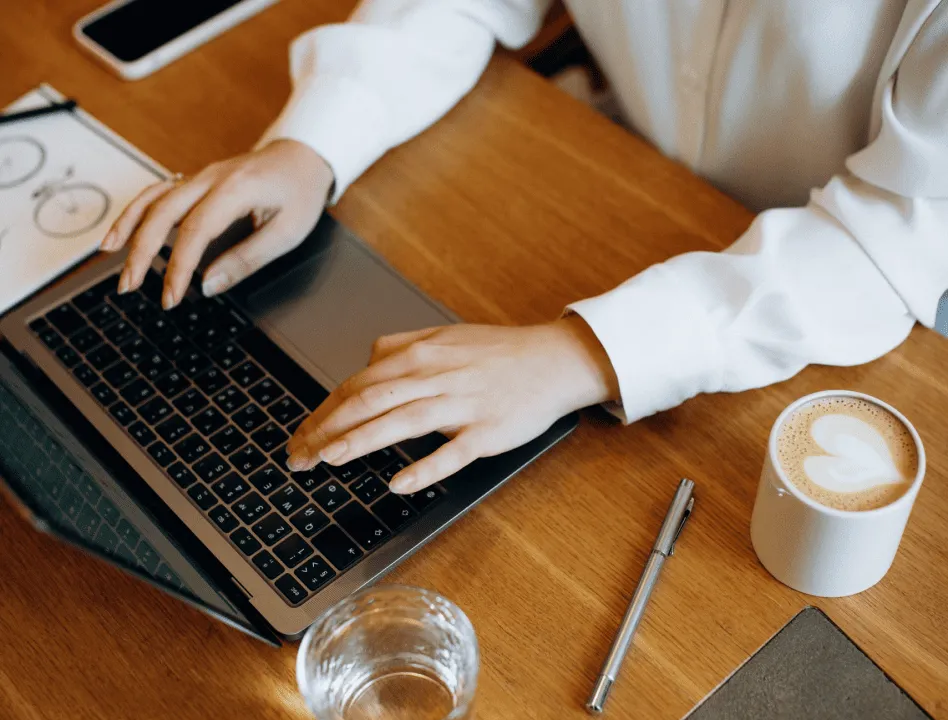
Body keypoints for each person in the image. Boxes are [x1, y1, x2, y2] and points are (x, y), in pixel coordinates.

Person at [102, 1, 948, 496]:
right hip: (609, 174)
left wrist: (578, 353)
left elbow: (887, 238)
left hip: (822, 320)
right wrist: (314, 140)